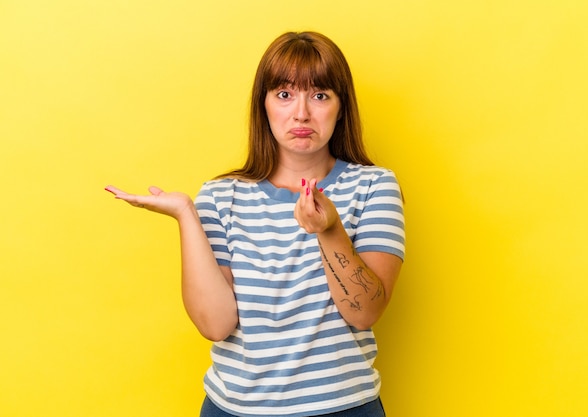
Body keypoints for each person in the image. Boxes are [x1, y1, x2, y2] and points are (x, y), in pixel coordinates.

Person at [105, 31, 405, 417]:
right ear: (263, 105)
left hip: (344, 407)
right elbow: (216, 324)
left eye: (319, 95)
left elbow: (364, 312)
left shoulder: (374, 186)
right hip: (233, 409)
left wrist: (329, 229)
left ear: (341, 107)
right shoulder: (219, 196)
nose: (301, 113)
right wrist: (186, 216)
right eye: (284, 94)